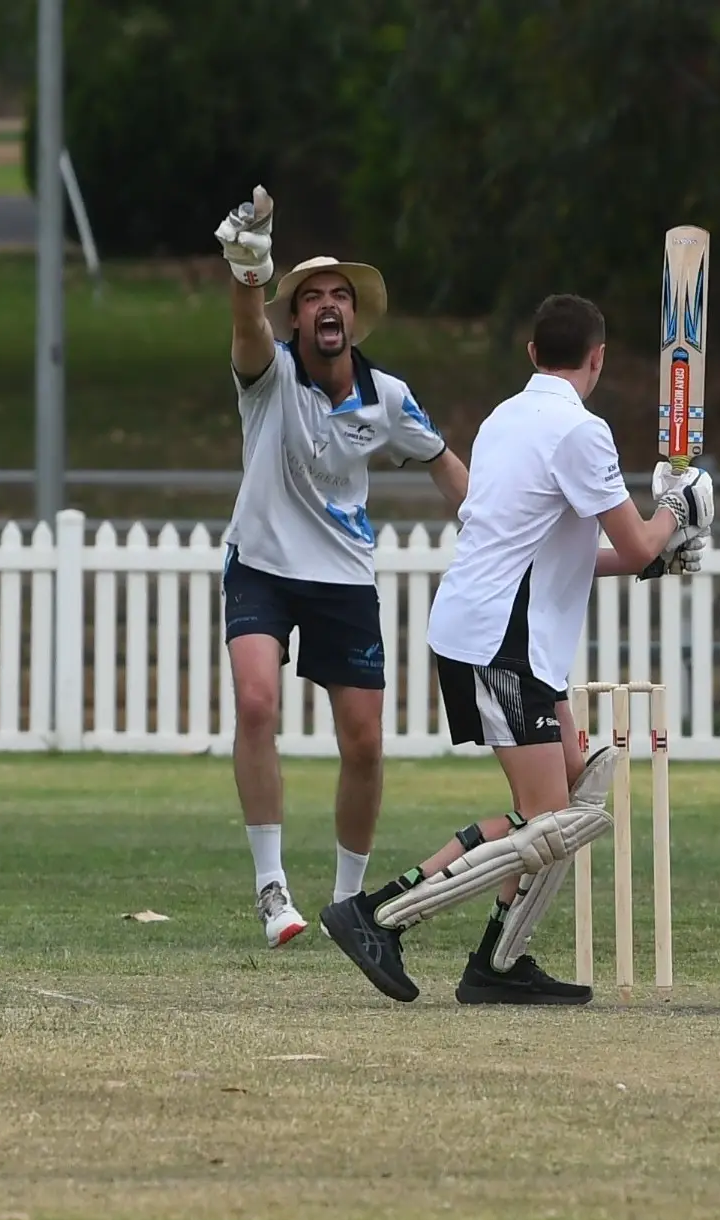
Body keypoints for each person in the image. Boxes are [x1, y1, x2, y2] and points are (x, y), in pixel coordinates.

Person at [320, 293, 713, 1006]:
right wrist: (681, 508)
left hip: (496, 632)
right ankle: (377, 916)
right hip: (502, 638)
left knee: (573, 784)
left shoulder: (504, 420)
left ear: (533, 354)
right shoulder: (580, 433)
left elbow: (590, 555)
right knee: (556, 820)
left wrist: (667, 541)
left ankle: (498, 962)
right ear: (597, 359)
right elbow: (634, 541)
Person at [213, 185, 471, 949]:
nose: (328, 306)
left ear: (354, 317)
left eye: (341, 297)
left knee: (363, 742)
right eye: (314, 297)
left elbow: (446, 466)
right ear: (297, 318)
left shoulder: (388, 397)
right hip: (259, 563)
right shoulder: (269, 374)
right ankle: (271, 890)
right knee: (257, 704)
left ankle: (348, 904)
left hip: (343, 578)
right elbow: (245, 322)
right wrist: (249, 261)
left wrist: (493, 534)